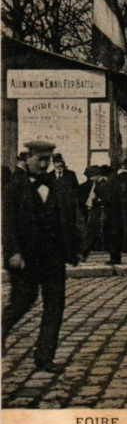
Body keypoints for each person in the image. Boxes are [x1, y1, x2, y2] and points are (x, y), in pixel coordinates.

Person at [2, 140, 80, 373]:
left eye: (48, 159)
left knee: (55, 306)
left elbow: (67, 219)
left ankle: (44, 357)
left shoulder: (58, 186)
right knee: (22, 301)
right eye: (40, 159)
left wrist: (73, 248)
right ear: (28, 159)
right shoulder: (13, 188)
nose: (44, 164)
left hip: (53, 258)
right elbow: (8, 225)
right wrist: (13, 252)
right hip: (25, 258)